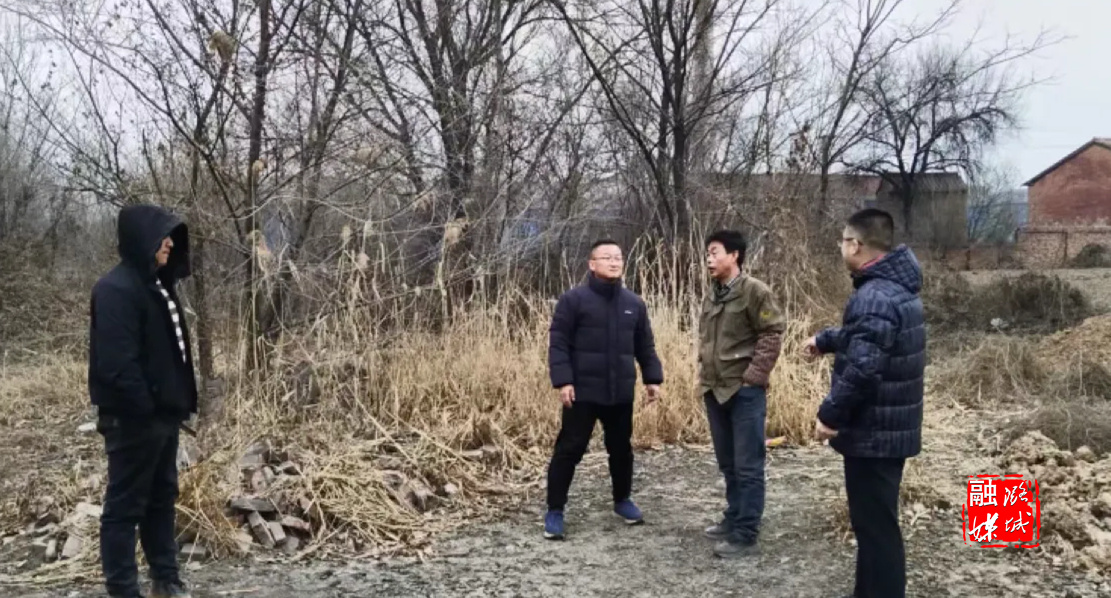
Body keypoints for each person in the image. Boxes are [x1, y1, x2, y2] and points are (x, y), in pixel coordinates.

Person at [804, 208, 925, 598]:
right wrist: (826, 340)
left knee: (876, 530)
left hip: (875, 432)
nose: (841, 247)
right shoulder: (893, 289)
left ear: (855, 245)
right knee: (874, 525)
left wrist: (830, 414)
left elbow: (863, 368)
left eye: (843, 240)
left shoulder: (873, 296)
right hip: (888, 429)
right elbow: (868, 338)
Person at [89, 205, 198, 598]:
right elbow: (116, 365)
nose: (169, 243)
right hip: (132, 420)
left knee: (161, 500)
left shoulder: (158, 287)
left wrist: (170, 409)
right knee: (124, 507)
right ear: (141, 240)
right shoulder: (115, 290)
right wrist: (146, 410)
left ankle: (165, 581)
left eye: (170, 237)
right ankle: (123, 590)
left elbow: (169, 356)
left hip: (161, 419)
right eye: (162, 237)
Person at [543, 239, 664, 540]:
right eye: (607, 257)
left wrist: (652, 378)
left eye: (618, 257)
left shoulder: (634, 304)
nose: (614, 262)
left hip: (620, 391)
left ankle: (622, 500)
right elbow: (558, 344)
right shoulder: (573, 300)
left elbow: (645, 346)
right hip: (582, 392)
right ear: (592, 264)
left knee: (621, 449)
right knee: (569, 449)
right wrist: (564, 381)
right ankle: (555, 510)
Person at [698, 230, 786, 558]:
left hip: (744, 392)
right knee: (728, 462)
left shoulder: (755, 291)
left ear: (734, 255)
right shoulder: (714, 294)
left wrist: (754, 377)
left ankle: (746, 534)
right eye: (707, 254)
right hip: (714, 389)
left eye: (715, 252)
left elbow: (772, 334)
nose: (709, 259)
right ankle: (734, 516)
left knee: (748, 465)